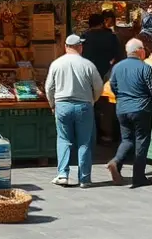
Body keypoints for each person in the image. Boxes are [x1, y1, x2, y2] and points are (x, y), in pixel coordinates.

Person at [45, 34, 104, 188]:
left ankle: (63, 174)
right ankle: (84, 178)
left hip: (62, 105)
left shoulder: (56, 64)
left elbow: (49, 87)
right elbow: (99, 86)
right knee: (84, 142)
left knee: (63, 139)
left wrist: (52, 104)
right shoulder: (88, 65)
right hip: (84, 105)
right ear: (80, 47)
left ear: (66, 47)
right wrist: (93, 100)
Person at [108, 38, 152, 188]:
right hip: (141, 109)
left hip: (122, 109)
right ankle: (138, 176)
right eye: (144, 49)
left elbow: (113, 86)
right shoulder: (144, 68)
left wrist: (122, 98)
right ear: (139, 51)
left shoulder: (117, 67)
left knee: (127, 140)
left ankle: (116, 161)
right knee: (142, 140)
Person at [82, 11, 125, 80]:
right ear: (102, 24)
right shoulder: (111, 37)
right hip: (106, 72)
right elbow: (119, 55)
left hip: (87, 73)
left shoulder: (83, 37)